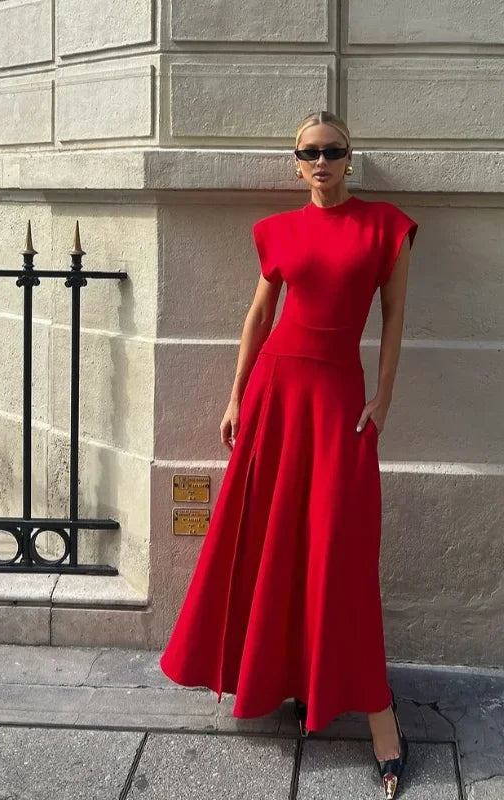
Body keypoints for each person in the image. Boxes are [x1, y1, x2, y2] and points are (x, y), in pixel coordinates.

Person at [159, 109, 418, 799]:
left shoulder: (385, 226)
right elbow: (258, 316)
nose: (323, 161)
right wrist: (235, 397)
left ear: (350, 158)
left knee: (338, 547)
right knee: (272, 542)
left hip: (339, 401)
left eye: (334, 150)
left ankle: (379, 715)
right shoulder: (278, 232)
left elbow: (394, 321)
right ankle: (283, 677)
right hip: (277, 394)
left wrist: (384, 400)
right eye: (311, 152)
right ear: (296, 162)